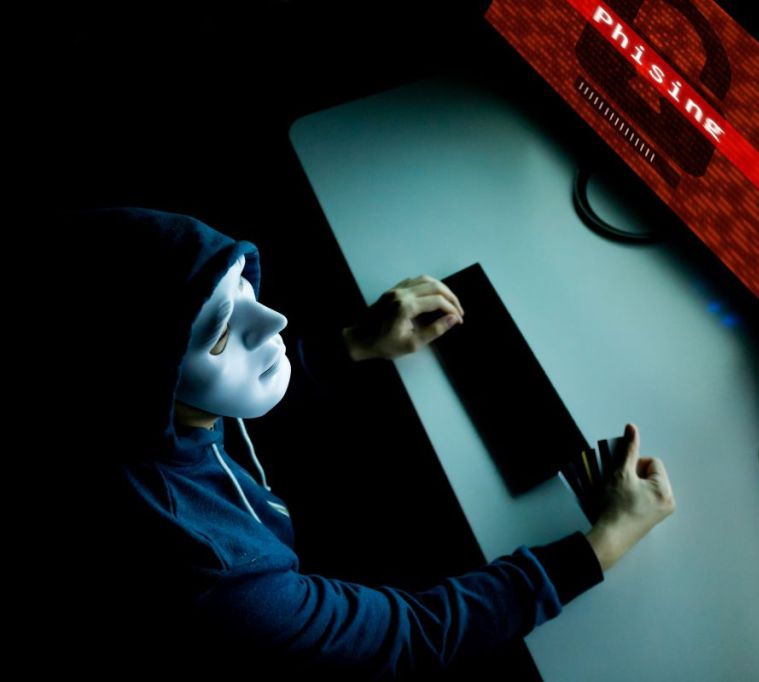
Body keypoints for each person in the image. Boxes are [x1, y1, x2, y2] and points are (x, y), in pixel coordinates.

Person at [46, 207, 676, 678]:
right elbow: (410, 635)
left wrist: (355, 343)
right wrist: (601, 545)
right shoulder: (215, 570)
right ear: (142, 389)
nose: (273, 321)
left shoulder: (131, 410)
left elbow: (203, 403)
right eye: (219, 335)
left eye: (242, 288)